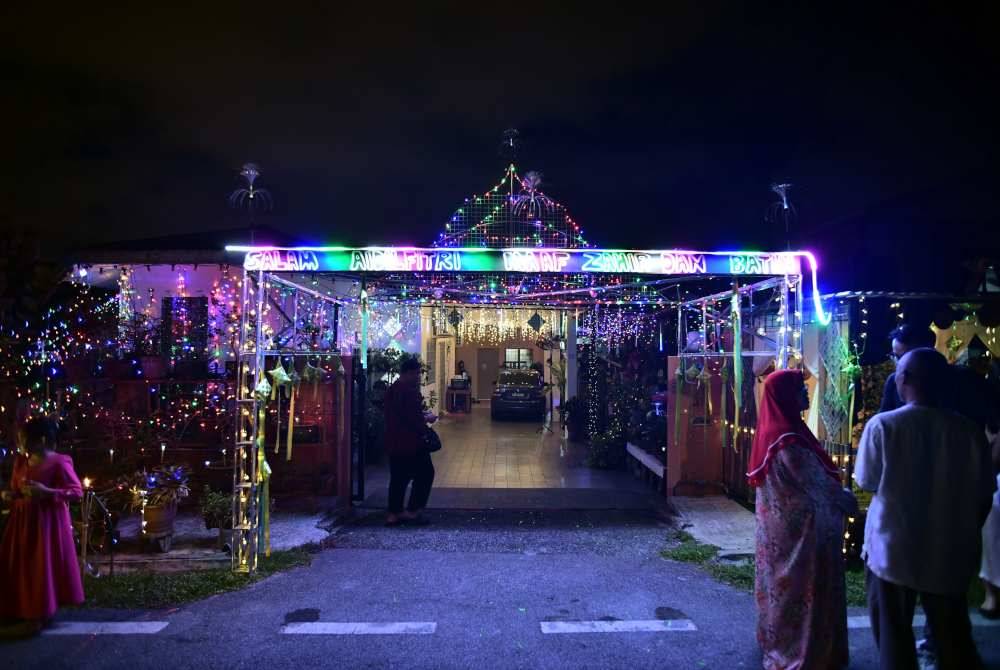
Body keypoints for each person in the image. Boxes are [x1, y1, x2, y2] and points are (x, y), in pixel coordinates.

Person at [855, 348, 995, 670]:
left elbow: (867, 481)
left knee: (893, 634)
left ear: (903, 380)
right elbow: (984, 493)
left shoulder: (883, 427)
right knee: (952, 635)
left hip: (892, 549)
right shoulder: (968, 431)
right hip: (949, 547)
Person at [747, 369, 856, 670]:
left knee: (781, 588)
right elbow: (820, 486)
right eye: (800, 389)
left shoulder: (776, 433)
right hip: (802, 537)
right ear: (785, 396)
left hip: (781, 533)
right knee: (802, 592)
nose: (807, 394)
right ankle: (802, 652)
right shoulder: (788, 441)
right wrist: (847, 500)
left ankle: (780, 642)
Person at [0, 416, 84, 637]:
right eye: (19, 439)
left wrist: (47, 492)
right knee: (20, 565)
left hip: (45, 525)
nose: (21, 444)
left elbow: (76, 492)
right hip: (21, 523)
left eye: (24, 439)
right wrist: (10, 494)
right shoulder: (21, 461)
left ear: (42, 440)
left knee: (40, 565)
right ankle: (17, 608)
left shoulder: (58, 461)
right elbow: (18, 489)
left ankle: (38, 613)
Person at [383, 357, 435, 527]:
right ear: (408, 373)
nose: (419, 377)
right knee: (426, 473)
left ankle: (394, 513)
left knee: (398, 477)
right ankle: (413, 510)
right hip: (412, 442)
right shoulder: (409, 392)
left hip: (394, 441)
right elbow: (414, 419)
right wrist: (426, 420)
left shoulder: (392, 390)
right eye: (416, 373)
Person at [878, 324, 937, 413]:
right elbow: (884, 413)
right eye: (896, 356)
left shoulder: (948, 380)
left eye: (905, 357)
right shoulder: (893, 381)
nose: (899, 363)